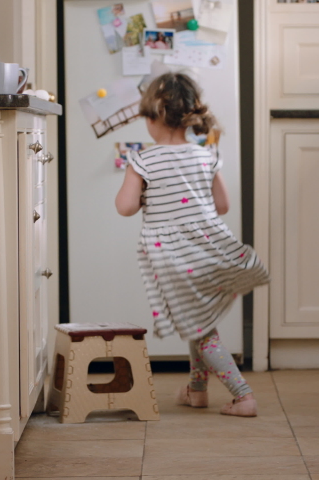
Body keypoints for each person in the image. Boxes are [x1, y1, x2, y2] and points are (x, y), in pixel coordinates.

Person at [115, 72, 270, 417]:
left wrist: (144, 196)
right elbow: (223, 206)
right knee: (197, 322)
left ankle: (243, 396)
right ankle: (197, 390)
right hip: (211, 252)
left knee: (201, 330)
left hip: (173, 258)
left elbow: (125, 208)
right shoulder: (206, 155)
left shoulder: (143, 160)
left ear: (153, 116)